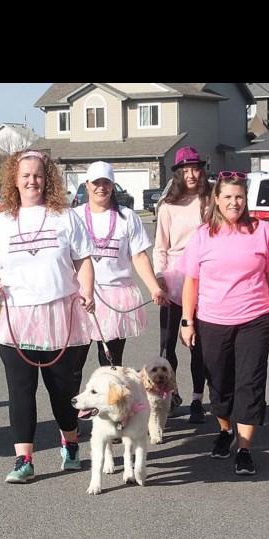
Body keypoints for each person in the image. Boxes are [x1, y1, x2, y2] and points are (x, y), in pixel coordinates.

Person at [0, 150, 95, 484]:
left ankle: (70, 444)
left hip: (59, 314)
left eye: (39, 175)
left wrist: (86, 289)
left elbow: (83, 259)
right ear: (14, 180)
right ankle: (24, 460)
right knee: (21, 390)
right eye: (26, 175)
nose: (33, 181)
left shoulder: (66, 216)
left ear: (49, 180)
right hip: (15, 316)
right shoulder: (3, 221)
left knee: (61, 390)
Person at [178, 171, 269, 476]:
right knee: (220, 384)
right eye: (227, 197)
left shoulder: (263, 231)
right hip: (212, 320)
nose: (234, 203)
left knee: (250, 383)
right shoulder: (203, 235)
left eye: (239, 197)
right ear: (216, 199)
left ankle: (244, 448)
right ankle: (225, 431)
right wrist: (187, 322)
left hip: (255, 318)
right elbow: (191, 281)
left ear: (246, 198)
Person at [71, 161, 165, 390]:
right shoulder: (73, 217)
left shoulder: (127, 216)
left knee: (111, 364)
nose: (101, 188)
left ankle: (112, 416)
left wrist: (154, 287)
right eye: (96, 183)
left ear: (113, 186)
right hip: (81, 298)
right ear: (87, 185)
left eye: (106, 183)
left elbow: (139, 256)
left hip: (115, 298)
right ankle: (70, 419)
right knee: (73, 365)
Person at [153, 146, 211, 424]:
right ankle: (170, 395)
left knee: (198, 344)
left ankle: (198, 398)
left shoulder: (210, 200)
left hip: (204, 277)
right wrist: (159, 277)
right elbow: (160, 246)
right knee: (168, 345)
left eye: (195, 168)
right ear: (177, 173)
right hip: (174, 277)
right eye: (185, 170)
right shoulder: (168, 205)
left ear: (202, 170)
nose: (191, 174)